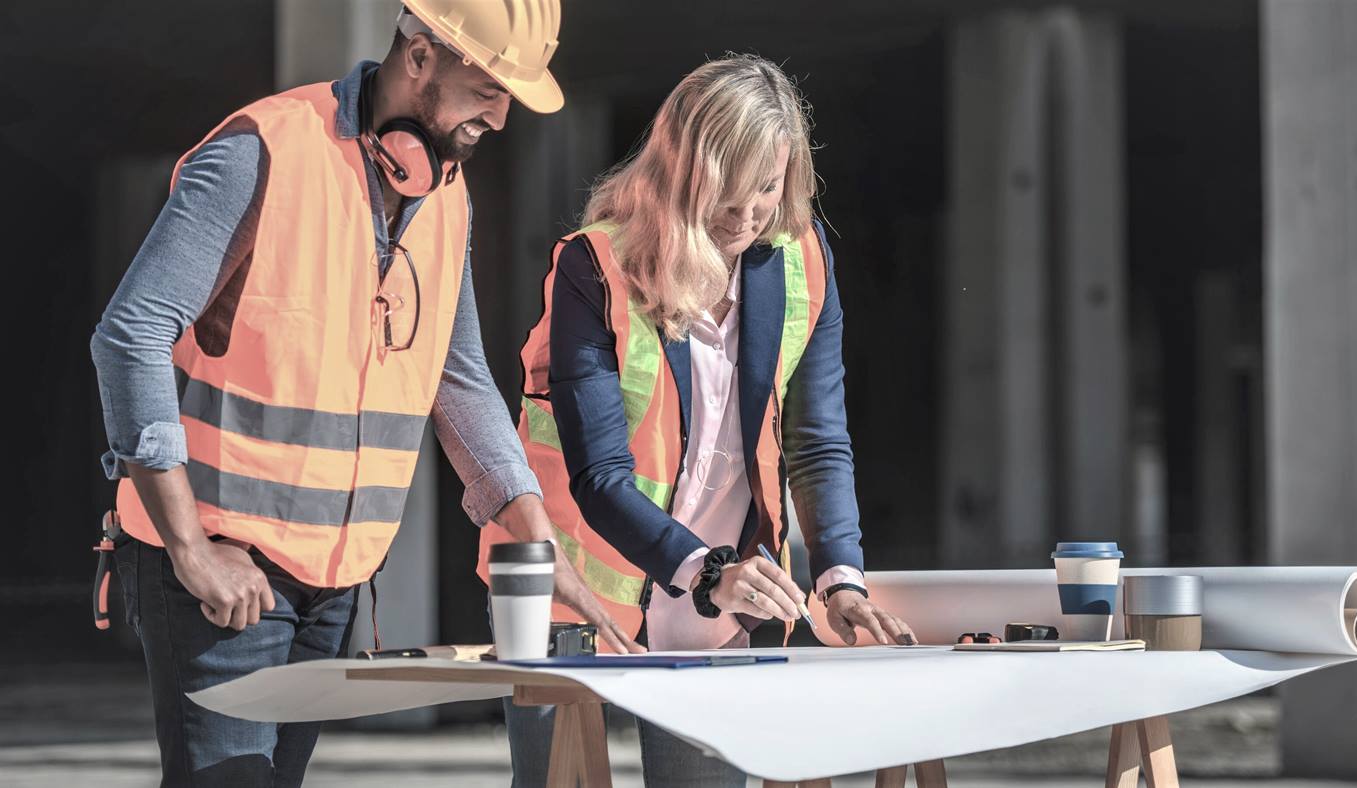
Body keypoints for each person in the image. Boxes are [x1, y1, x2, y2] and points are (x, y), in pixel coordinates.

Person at [90, 3, 623, 785]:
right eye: (486, 89)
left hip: (334, 582)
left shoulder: (446, 198)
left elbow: (460, 377)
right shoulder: (261, 152)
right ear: (419, 57)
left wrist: (534, 540)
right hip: (221, 567)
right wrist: (189, 550)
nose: (500, 118)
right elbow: (129, 334)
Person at [477, 54, 917, 786]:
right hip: (578, 587)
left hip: (722, 591)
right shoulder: (595, 266)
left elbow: (817, 443)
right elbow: (599, 474)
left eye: (768, 190)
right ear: (683, 172)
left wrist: (842, 578)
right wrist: (706, 571)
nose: (747, 218)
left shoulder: (803, 261)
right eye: (727, 194)